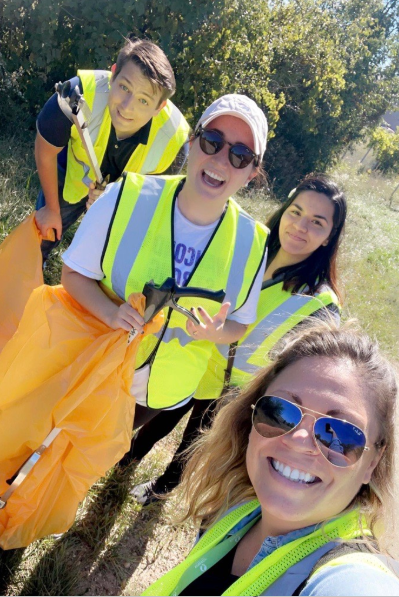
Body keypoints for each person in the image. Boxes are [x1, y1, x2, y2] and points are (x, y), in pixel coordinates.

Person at [129, 174, 346, 503]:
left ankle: (162, 489)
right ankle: (125, 462)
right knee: (158, 415)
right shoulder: (248, 247)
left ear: (330, 236)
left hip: (234, 390)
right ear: (283, 211)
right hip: (191, 357)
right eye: (296, 212)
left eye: (317, 222)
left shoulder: (321, 303)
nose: (300, 227)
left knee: (195, 442)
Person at [142, 321, 399, 596]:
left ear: (372, 463)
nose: (299, 440)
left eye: (340, 433)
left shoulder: (352, 581)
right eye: (280, 411)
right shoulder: (237, 510)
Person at [61, 93, 269, 431]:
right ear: (192, 142)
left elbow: (239, 325)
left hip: (159, 392)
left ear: (252, 172)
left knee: (91, 460)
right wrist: (111, 312)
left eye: (240, 155)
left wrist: (216, 332)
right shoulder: (125, 196)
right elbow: (72, 274)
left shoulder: (254, 243)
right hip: (92, 365)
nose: (220, 161)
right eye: (212, 141)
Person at [34, 36, 190, 260]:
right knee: (45, 232)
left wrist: (115, 205)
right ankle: (39, 260)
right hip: (72, 172)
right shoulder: (76, 94)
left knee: (114, 254)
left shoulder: (174, 143)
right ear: (113, 73)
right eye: (124, 87)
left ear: (160, 107)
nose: (127, 107)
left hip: (126, 191)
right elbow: (45, 150)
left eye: (144, 100)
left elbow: (151, 206)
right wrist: (51, 208)